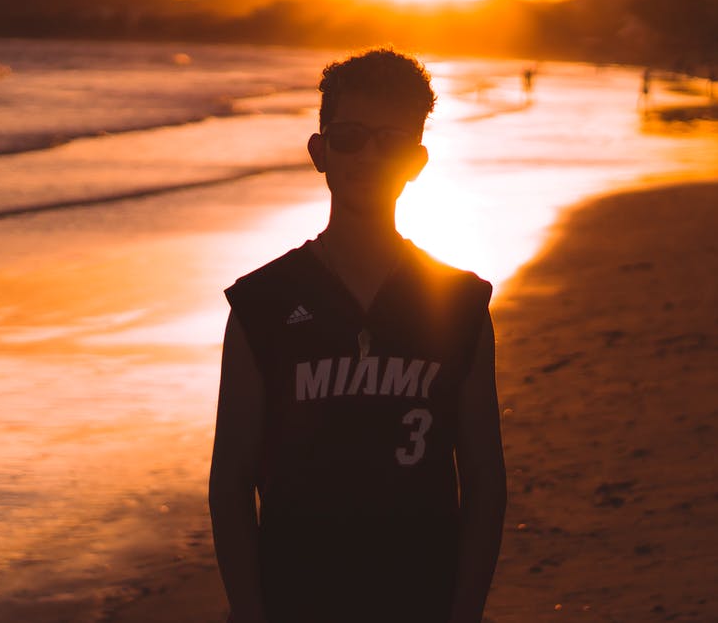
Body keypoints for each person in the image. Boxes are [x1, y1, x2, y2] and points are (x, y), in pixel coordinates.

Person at [209, 47, 507, 623]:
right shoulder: (261, 304)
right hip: (296, 598)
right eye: (349, 137)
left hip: (421, 597)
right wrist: (250, 612)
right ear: (319, 151)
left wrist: (464, 612)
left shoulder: (461, 303)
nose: (369, 156)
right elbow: (231, 481)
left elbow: (485, 480)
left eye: (391, 141)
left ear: (416, 161)